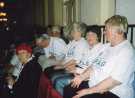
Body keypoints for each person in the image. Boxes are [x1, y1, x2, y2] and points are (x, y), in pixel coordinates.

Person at [64, 15, 135, 98]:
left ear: (116, 31)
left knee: (82, 96)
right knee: (68, 89)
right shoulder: (106, 46)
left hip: (113, 92)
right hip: (95, 85)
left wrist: (88, 91)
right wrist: (81, 77)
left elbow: (114, 81)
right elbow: (93, 66)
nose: (104, 33)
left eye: (106, 30)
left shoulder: (126, 51)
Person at [52, 25, 106, 96]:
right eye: (87, 35)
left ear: (98, 37)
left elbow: (94, 69)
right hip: (78, 72)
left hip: (86, 77)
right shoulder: (88, 47)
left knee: (58, 81)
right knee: (54, 77)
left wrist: (77, 70)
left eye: (92, 35)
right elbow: (80, 62)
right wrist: (73, 68)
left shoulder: (101, 49)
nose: (89, 37)